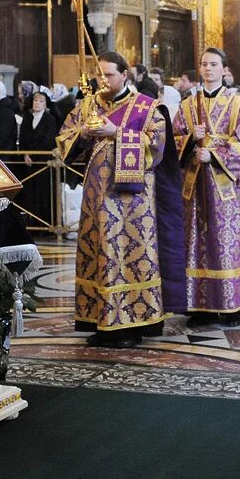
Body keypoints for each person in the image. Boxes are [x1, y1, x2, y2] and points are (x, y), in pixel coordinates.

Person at [55, 51, 172, 347]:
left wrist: (116, 132)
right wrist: (83, 133)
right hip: (96, 199)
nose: (103, 80)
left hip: (131, 202)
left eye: (109, 74)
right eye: (99, 75)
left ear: (125, 75)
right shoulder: (87, 106)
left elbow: (156, 147)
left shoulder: (146, 108)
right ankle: (100, 321)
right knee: (99, 256)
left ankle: (132, 325)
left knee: (128, 255)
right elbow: (64, 140)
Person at [173, 48, 240, 323]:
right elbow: (169, 141)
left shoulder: (238, 104)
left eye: (213, 64)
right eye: (203, 64)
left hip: (225, 188)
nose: (207, 68)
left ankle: (231, 303)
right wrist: (187, 141)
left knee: (226, 242)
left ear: (225, 70)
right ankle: (199, 305)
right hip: (195, 186)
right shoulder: (186, 106)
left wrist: (215, 154)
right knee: (196, 242)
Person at [17, 91, 58, 224]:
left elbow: (48, 140)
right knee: (31, 193)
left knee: (43, 193)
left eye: (41, 101)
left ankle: (45, 223)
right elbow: (22, 138)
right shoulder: (27, 118)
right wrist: (25, 154)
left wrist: (33, 155)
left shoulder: (49, 119)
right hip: (29, 162)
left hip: (43, 162)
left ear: (45, 104)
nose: (37, 103)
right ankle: (33, 222)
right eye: (35, 100)